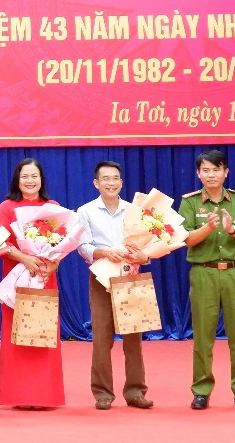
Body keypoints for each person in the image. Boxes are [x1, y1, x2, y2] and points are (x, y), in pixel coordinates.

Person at [181, 149, 235, 411]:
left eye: (216, 170)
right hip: (203, 273)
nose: (211, 175)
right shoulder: (190, 203)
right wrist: (207, 228)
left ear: (225, 172)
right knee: (203, 336)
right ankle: (201, 391)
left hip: (234, 272)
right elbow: (185, 239)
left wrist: (232, 229)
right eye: (205, 170)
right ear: (198, 173)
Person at [74, 161, 153, 410]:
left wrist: (145, 256)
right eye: (105, 178)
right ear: (96, 183)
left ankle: (135, 391)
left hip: (130, 276)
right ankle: (102, 393)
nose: (111, 183)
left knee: (133, 336)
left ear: (121, 182)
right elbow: (82, 246)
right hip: (101, 277)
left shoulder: (134, 210)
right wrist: (104, 252)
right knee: (101, 337)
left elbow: (148, 243)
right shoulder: (85, 211)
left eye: (115, 178)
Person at [0, 157, 65, 409]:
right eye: (24, 176)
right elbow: (0, 242)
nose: (29, 180)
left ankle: (44, 396)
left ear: (41, 179)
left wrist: (54, 263)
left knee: (42, 334)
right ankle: (20, 396)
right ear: (17, 180)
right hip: (17, 276)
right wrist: (25, 258)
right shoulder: (7, 207)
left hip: (44, 276)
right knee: (17, 334)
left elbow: (62, 242)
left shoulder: (52, 206)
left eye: (34, 176)